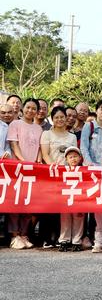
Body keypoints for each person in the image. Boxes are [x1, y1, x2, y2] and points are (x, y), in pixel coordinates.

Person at [7, 98, 43, 249]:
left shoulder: (39, 128)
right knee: (16, 202)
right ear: (23, 108)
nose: (30, 110)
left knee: (28, 202)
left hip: (33, 169)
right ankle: (14, 236)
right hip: (17, 168)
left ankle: (24, 234)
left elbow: (40, 148)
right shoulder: (15, 124)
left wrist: (38, 163)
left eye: (34, 108)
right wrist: (22, 161)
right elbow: (13, 144)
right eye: (28, 107)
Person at [58, 146, 85, 252]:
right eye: (70, 157)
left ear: (80, 158)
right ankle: (64, 240)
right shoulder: (62, 170)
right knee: (65, 219)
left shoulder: (84, 170)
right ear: (66, 159)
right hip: (66, 199)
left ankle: (76, 241)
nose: (73, 159)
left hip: (79, 198)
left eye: (75, 156)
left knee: (79, 219)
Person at [80, 100, 102, 166]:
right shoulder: (89, 126)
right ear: (96, 111)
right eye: (101, 110)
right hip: (90, 166)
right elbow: (83, 147)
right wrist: (89, 163)